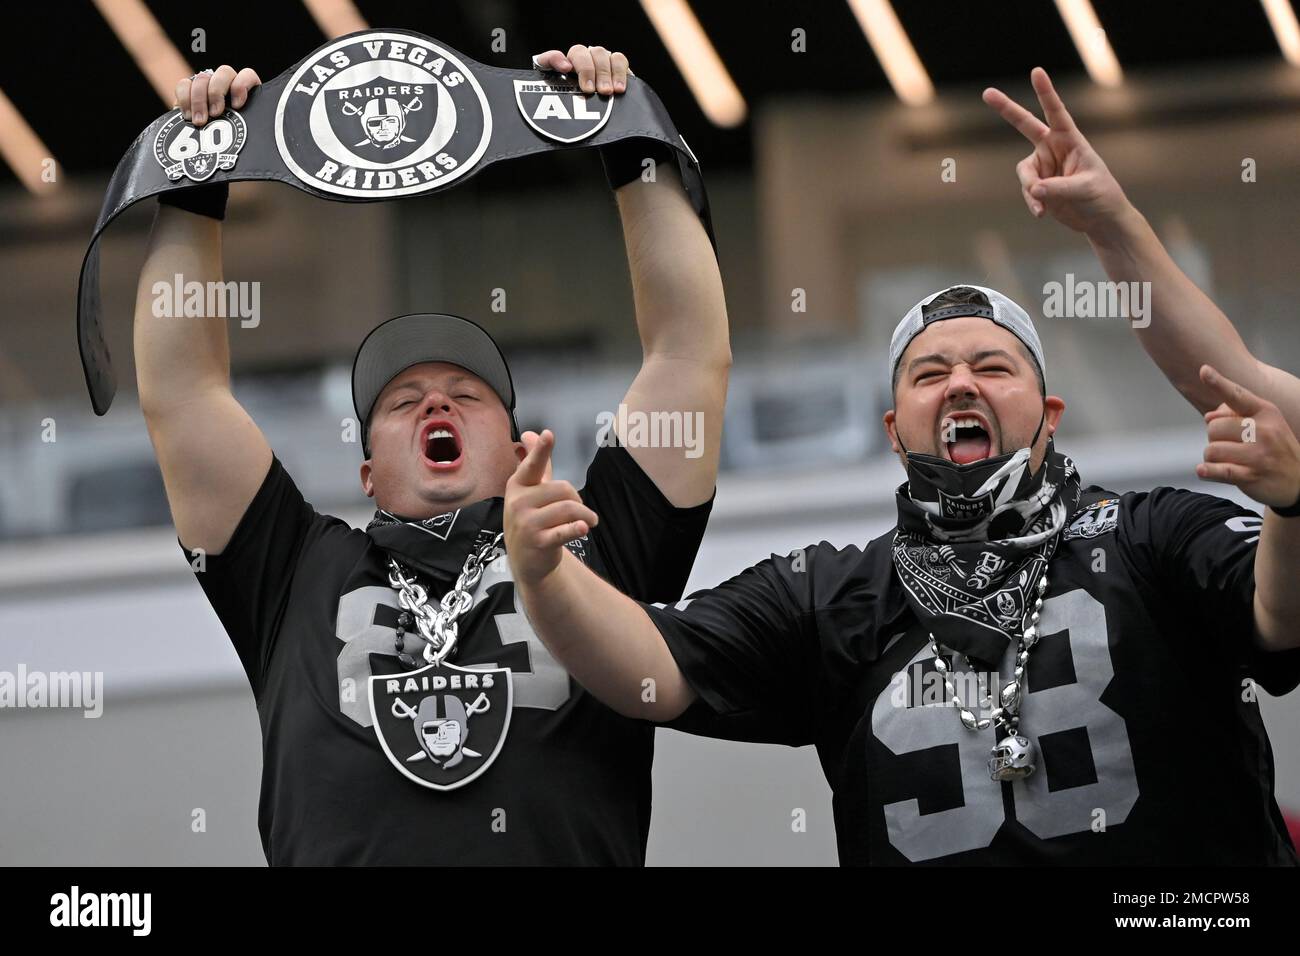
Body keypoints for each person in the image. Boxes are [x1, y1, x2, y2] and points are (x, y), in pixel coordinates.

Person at [137, 44, 729, 865]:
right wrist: (196, 176)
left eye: (467, 394)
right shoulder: (293, 570)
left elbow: (687, 356)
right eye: (403, 402)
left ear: (521, 446)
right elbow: (185, 397)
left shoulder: (591, 541)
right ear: (367, 473)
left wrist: (630, 138)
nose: (438, 404)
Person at [504, 272, 1300, 863]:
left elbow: (1279, 618)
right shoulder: (832, 596)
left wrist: (1291, 506)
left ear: (1049, 416)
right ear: (894, 428)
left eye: (993, 367)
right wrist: (544, 576)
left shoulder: (1147, 534)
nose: (960, 382)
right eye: (930, 374)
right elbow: (648, 666)